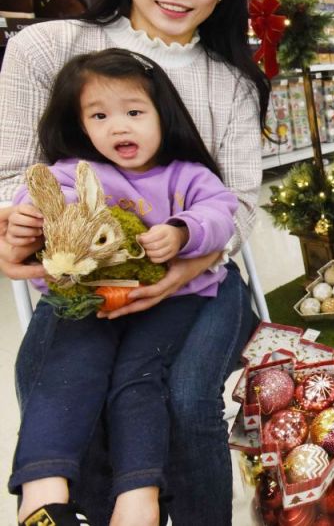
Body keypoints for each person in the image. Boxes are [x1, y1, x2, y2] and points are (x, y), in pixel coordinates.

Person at [0, 0, 270, 523]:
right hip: (86, 281)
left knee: (184, 395)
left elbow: (239, 204)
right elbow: (17, 179)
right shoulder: (47, 48)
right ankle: (66, 508)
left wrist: (181, 263)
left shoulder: (231, 82)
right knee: (56, 378)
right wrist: (21, 235)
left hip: (199, 279)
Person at [8, 50, 239, 526]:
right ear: (80, 124)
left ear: (162, 115)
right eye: (99, 116)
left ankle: (138, 497)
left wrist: (181, 231)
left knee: (138, 378)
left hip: (173, 298)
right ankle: (42, 490)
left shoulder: (186, 174)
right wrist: (30, 219)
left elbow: (220, 212)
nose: (118, 127)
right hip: (95, 299)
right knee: (65, 367)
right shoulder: (78, 172)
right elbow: (44, 193)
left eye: (134, 112)